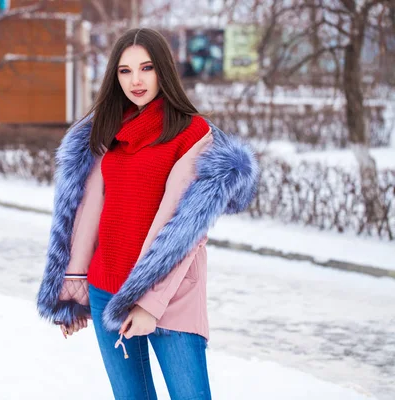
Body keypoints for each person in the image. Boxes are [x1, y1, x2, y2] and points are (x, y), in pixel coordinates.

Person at [37, 28, 258, 399]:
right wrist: (73, 287)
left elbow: (186, 233)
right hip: (106, 289)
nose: (135, 80)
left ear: (164, 72)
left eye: (147, 68)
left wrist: (148, 304)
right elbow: (88, 212)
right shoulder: (106, 131)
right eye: (124, 71)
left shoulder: (193, 134)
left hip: (170, 297)